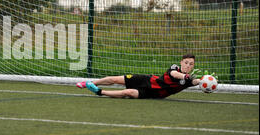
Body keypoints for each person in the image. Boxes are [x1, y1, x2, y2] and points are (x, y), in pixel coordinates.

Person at [76, 54, 207, 99]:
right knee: (115, 79)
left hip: (153, 94)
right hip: (147, 80)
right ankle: (91, 82)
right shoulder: (175, 68)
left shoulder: (189, 79)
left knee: (129, 92)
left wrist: (205, 81)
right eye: (186, 63)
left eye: (191, 64)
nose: (188, 66)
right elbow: (175, 75)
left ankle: (99, 92)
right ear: (181, 62)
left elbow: (196, 82)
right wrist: (185, 77)